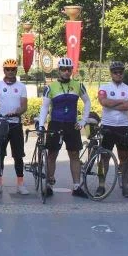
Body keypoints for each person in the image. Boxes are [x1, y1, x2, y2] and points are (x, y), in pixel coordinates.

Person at [37, 57, 91, 198]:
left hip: (72, 125)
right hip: (56, 123)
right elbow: (44, 107)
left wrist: (83, 120)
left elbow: (87, 102)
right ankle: (48, 185)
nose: (67, 72)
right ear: (59, 71)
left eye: (69, 70)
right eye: (63, 70)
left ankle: (76, 186)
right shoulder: (51, 87)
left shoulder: (78, 85)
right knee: (52, 154)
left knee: (74, 155)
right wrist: (42, 125)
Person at [0, 58, 28, 195]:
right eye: (7, 69)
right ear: (4, 70)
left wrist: (16, 112)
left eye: (13, 69)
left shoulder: (21, 87)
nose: (10, 71)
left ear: (16, 70)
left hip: (15, 124)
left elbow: (24, 106)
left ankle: (20, 184)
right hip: (1, 123)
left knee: (18, 155)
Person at [96, 61, 128, 198]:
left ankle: (125, 186)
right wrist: (121, 101)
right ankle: (101, 185)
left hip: (123, 127)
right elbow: (103, 102)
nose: (118, 74)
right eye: (115, 72)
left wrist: (112, 103)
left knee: (124, 159)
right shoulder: (104, 87)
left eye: (120, 72)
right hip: (108, 126)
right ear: (111, 73)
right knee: (104, 158)